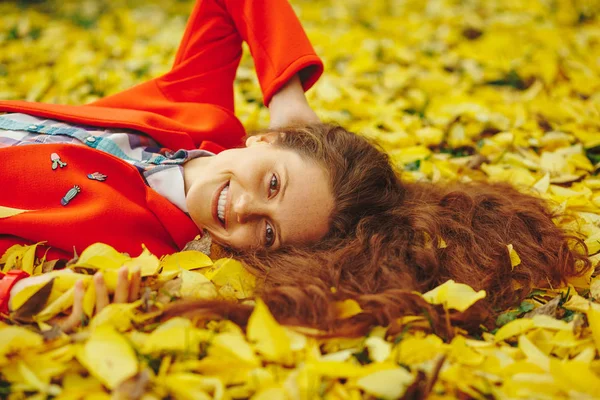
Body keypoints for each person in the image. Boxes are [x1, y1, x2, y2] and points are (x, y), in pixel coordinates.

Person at [1, 0, 592, 332]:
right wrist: (288, 92)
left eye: (268, 230)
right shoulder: (200, 118)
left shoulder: (138, 253)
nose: (247, 208)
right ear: (265, 140)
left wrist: (24, 294)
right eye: (274, 183)